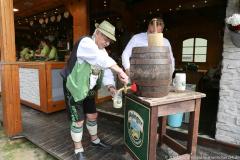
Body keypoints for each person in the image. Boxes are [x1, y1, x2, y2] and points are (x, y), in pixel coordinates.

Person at [61, 20, 128, 160]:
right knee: (78, 120)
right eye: (105, 39)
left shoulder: (102, 50)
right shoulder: (86, 43)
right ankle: (78, 150)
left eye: (110, 41)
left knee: (92, 115)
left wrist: (110, 86)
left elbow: (106, 68)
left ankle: (95, 140)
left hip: (88, 88)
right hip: (75, 88)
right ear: (97, 33)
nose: (107, 43)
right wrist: (120, 71)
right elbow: (100, 60)